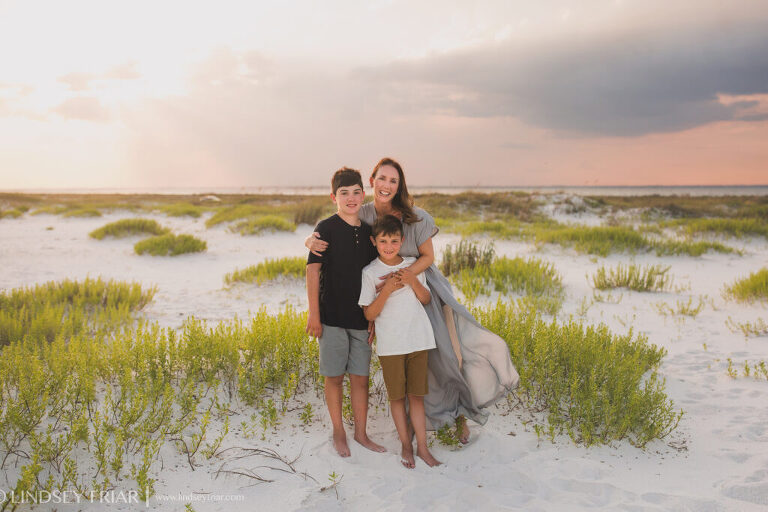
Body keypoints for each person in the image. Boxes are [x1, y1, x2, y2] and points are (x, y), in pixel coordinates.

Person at [307, 157, 519, 442]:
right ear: (372, 182)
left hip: (422, 289)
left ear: (399, 185)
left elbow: (429, 257)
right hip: (388, 300)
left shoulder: (415, 216)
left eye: (393, 181)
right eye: (381, 179)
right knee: (404, 358)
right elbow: (338, 228)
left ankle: (458, 415)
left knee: (443, 356)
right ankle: (416, 418)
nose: (386, 185)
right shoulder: (365, 214)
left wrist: (404, 276)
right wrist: (311, 239)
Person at [305, 167, 386, 457]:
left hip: (361, 319)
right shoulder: (325, 228)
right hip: (331, 318)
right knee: (334, 376)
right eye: (344, 193)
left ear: (362, 194)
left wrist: (374, 317)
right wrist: (314, 314)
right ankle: (339, 431)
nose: (351, 198)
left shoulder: (368, 232)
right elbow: (313, 272)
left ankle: (361, 433)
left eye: (355, 192)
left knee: (360, 378)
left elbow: (376, 276)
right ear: (333, 197)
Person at [359, 215, 441, 468]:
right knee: (397, 398)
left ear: (402, 241)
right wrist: (386, 291)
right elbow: (369, 314)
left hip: (418, 339)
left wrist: (412, 280)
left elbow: (426, 300)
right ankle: (406, 444)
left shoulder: (412, 264)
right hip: (392, 345)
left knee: (416, 397)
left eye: (394, 241)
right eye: (383, 241)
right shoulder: (370, 272)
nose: (389, 246)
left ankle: (423, 449)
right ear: (374, 241)